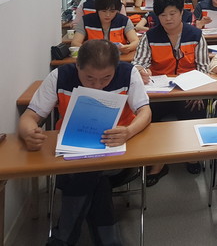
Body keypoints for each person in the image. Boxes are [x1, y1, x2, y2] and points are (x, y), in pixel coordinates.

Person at [19, 39, 151, 245]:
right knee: (94, 177)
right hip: (71, 154)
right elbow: (29, 116)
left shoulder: (128, 73)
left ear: (115, 68)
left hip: (118, 153)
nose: (97, 85)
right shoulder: (60, 76)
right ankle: (109, 241)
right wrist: (28, 132)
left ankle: (63, 237)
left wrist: (128, 131)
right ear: (77, 66)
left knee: (88, 173)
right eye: (89, 78)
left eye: (106, 78)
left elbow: (145, 112)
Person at [132, 0, 210, 185]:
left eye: (172, 13)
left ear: (182, 12)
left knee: (196, 108)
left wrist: (198, 92)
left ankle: (192, 155)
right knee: (147, 116)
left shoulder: (196, 35)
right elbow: (138, 63)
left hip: (189, 92)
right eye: (163, 15)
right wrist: (141, 71)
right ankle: (159, 161)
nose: (168, 19)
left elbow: (203, 68)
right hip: (158, 93)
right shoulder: (150, 37)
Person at [72, 0, 139, 54]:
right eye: (104, 11)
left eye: (112, 11)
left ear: (117, 11)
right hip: (93, 58)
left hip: (119, 57)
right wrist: (91, 50)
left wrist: (128, 47)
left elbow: (135, 41)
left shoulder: (124, 21)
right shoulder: (86, 21)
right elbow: (75, 43)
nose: (108, 15)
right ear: (97, 9)